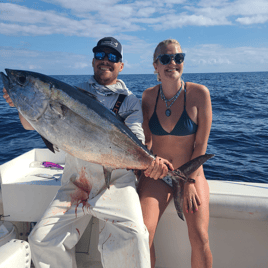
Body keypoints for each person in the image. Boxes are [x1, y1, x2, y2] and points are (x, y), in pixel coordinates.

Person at [3, 37, 171, 268]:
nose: (105, 60)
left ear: (121, 66)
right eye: (100, 55)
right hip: (76, 183)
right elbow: (31, 123)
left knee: (136, 236)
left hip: (117, 182)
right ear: (93, 61)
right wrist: (20, 103)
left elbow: (136, 136)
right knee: (41, 240)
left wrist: (148, 161)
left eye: (113, 57)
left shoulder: (130, 101)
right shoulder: (74, 91)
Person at [138, 39, 213, 268]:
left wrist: (189, 181)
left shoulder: (199, 94)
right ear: (156, 66)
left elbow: (201, 144)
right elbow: (147, 142)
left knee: (199, 237)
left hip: (192, 174)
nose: (173, 62)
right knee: (143, 235)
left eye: (178, 58)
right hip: (158, 176)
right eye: (165, 58)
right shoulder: (147, 97)